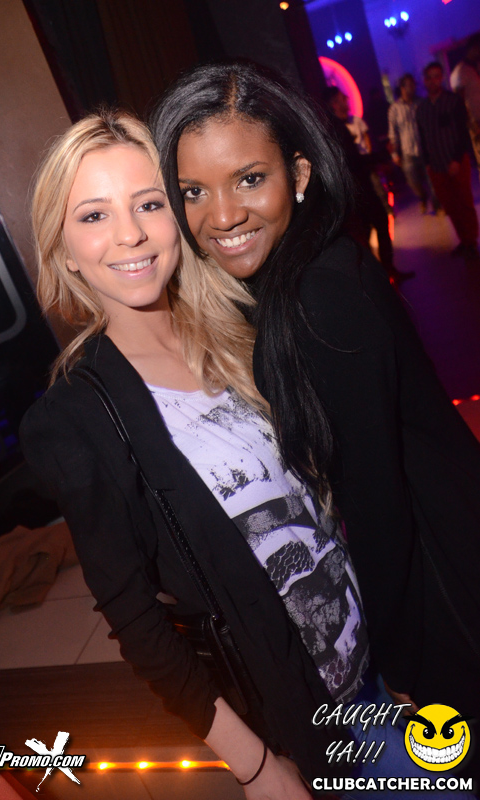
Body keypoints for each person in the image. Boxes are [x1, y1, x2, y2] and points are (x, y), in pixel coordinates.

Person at [19, 109, 376, 799]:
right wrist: (256, 766)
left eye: (149, 203)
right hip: (310, 715)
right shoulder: (74, 418)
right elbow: (138, 623)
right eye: (93, 216)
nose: (130, 233)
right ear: (63, 250)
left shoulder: (245, 321)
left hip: (382, 654)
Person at [151, 61, 480, 783]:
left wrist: (396, 663)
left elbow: (378, 507)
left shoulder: (317, 298)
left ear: (298, 174)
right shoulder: (303, 270)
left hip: (442, 582)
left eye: (248, 179)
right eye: (193, 191)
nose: (221, 216)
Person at [321, 86, 408, 283]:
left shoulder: (336, 127)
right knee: (376, 225)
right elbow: (353, 161)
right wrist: (381, 156)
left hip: (356, 187)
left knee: (368, 229)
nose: (347, 100)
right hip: (358, 188)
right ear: (334, 103)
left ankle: (379, 275)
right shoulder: (337, 129)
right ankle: (382, 274)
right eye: (342, 98)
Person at [416, 61, 479, 259]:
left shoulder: (453, 101)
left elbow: (462, 132)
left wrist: (457, 159)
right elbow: (423, 137)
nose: (433, 81)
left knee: (464, 202)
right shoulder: (422, 108)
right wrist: (427, 163)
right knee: (450, 205)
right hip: (436, 165)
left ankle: (471, 241)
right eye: (430, 77)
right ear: (425, 80)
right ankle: (463, 239)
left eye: (437, 76)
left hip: (456, 161)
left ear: (442, 78)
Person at [388, 74, 440, 213]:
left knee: (432, 180)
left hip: (425, 149)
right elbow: (393, 132)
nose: (413, 87)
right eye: (410, 85)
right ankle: (422, 197)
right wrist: (395, 154)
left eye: (413, 84)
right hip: (407, 152)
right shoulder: (395, 109)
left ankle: (437, 205)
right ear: (402, 88)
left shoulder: (421, 103)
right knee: (413, 182)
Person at [450, 34, 480, 178]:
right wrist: (471, 125)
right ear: (473, 48)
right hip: (476, 123)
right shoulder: (461, 71)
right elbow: (459, 103)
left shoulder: (474, 68)